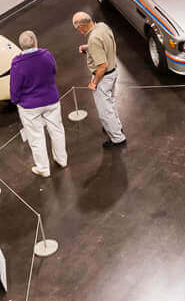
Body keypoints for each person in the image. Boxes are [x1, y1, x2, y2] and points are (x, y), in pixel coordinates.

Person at [9, 30, 67, 177]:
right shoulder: (46, 55)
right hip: (51, 99)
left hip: (29, 106)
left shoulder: (17, 63)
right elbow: (54, 71)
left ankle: (43, 168)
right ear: (35, 41)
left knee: (36, 137)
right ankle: (62, 160)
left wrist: (16, 101)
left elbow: (14, 88)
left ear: (21, 46)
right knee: (57, 130)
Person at [72, 10, 126, 147]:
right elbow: (104, 44)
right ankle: (116, 126)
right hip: (114, 71)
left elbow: (102, 66)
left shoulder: (93, 39)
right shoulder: (102, 26)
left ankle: (117, 138)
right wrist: (88, 47)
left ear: (82, 26)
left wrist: (94, 83)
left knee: (104, 111)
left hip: (103, 77)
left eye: (77, 29)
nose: (78, 32)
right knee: (110, 103)